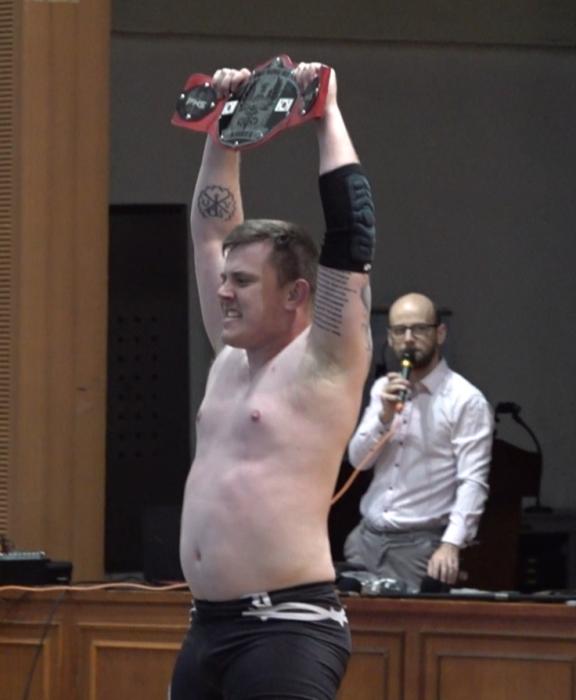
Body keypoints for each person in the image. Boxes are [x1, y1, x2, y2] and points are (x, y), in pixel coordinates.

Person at [170, 61, 376, 700]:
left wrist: (326, 114)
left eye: (243, 282)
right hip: (207, 628)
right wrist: (225, 128)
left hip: (286, 629)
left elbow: (352, 233)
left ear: (296, 294)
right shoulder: (229, 357)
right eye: (225, 280)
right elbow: (210, 231)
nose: (222, 293)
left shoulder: (327, 358)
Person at [343, 293, 493, 592]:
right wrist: (383, 417)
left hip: (419, 546)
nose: (409, 338)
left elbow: (472, 481)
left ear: (440, 333)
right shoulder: (383, 388)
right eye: (400, 330)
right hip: (365, 540)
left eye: (419, 329)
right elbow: (358, 461)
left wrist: (451, 544)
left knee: (409, 621)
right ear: (390, 338)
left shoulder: (465, 400)